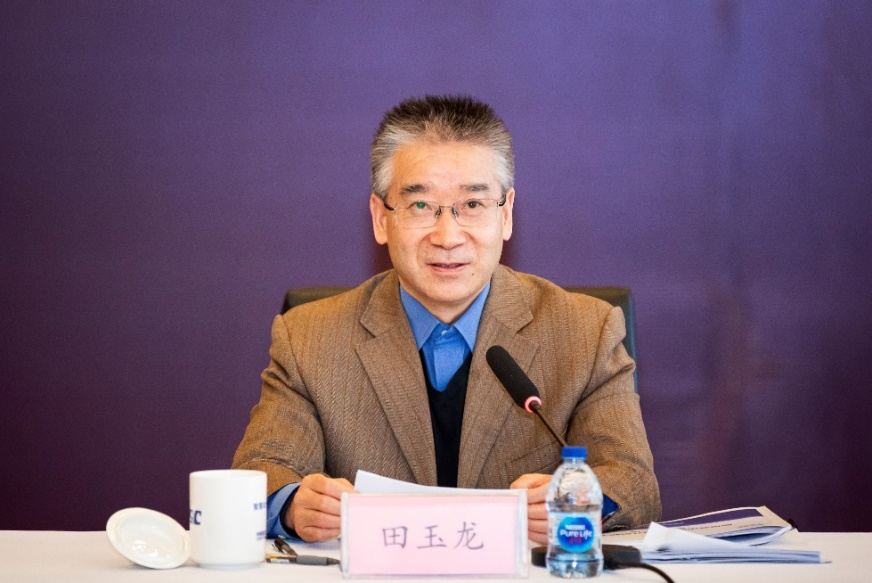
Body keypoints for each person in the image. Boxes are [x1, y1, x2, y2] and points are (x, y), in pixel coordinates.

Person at [232, 95, 661, 544]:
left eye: (472, 204)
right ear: (380, 218)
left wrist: (577, 500)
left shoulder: (586, 332)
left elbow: (633, 483)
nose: (448, 236)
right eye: (421, 206)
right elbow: (261, 471)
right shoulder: (309, 338)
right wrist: (294, 504)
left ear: (506, 214)